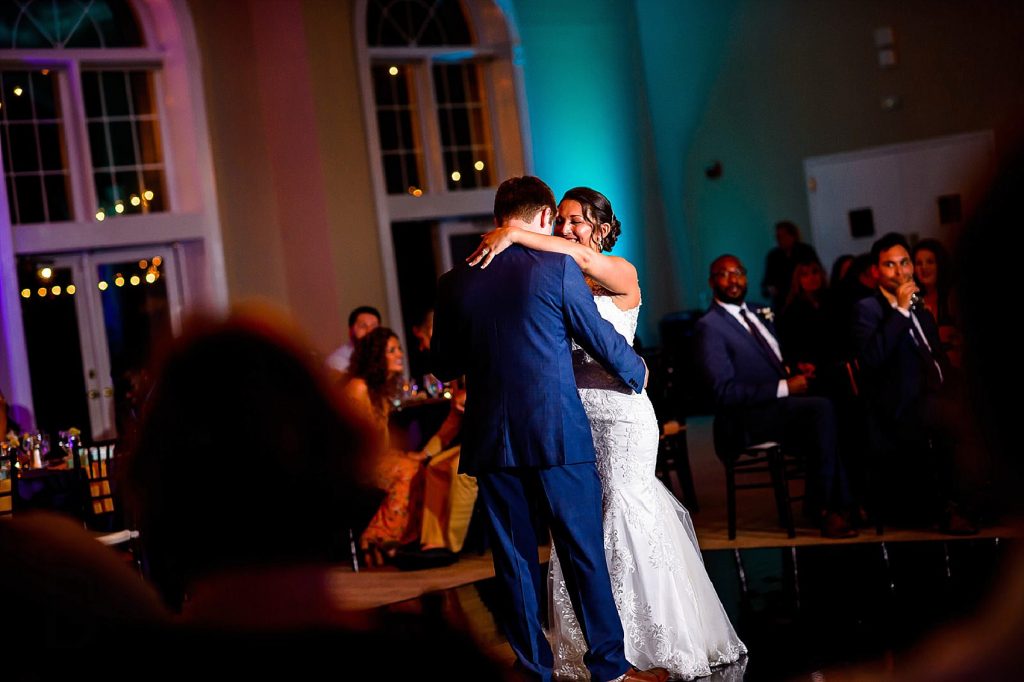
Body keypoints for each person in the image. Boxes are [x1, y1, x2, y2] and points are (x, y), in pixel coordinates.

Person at [469, 186, 746, 679]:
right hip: (574, 419)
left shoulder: (620, 270)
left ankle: (649, 639)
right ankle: (601, 649)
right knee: (584, 529)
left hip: (621, 413)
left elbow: (577, 259)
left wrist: (512, 232)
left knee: (623, 511)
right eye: (563, 221)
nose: (568, 230)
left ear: (600, 226)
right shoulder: (555, 276)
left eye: (577, 221)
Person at [432, 176, 665, 682]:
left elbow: (444, 367)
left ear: (499, 219)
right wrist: (636, 371)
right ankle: (609, 669)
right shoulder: (555, 266)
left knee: (513, 559)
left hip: (492, 438)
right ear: (542, 219)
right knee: (582, 549)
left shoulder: (453, 283)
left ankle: (532, 668)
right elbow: (595, 335)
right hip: (557, 430)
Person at [695, 254, 856, 538]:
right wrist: (785, 387)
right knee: (821, 410)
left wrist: (791, 369)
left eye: (738, 272)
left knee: (838, 401)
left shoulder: (759, 311)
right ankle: (825, 509)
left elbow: (769, 361)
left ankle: (841, 503)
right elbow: (724, 391)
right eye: (724, 274)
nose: (733, 280)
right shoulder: (710, 326)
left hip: (777, 408)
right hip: (744, 419)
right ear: (712, 282)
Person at [850, 233, 975, 534]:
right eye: (890, 265)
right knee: (951, 419)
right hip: (898, 404)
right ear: (876, 271)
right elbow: (871, 360)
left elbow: (936, 358)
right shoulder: (868, 309)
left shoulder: (921, 308)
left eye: (904, 263)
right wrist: (900, 311)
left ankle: (981, 501)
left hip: (933, 395)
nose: (900, 271)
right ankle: (950, 508)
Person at [343, 326, 463, 563]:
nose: (400, 354)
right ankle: (376, 538)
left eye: (399, 348)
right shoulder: (358, 389)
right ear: (376, 356)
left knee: (420, 467)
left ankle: (402, 541)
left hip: (376, 458)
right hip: (356, 464)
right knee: (408, 469)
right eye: (392, 350)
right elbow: (357, 443)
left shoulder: (380, 392)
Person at [912, 239, 961, 367]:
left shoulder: (953, 295)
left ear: (941, 264)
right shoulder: (915, 298)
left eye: (930, 262)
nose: (924, 267)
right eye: (918, 263)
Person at [761, 220, 819, 309]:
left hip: (806, 301)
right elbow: (767, 281)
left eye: (782, 236)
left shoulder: (806, 251)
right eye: (778, 237)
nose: (779, 239)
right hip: (783, 304)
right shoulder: (773, 256)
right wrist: (770, 289)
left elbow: (817, 275)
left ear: (793, 236)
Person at [326, 305, 381, 374]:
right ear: (351, 330)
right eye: (363, 326)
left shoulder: (386, 353)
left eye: (374, 327)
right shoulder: (338, 360)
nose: (369, 331)